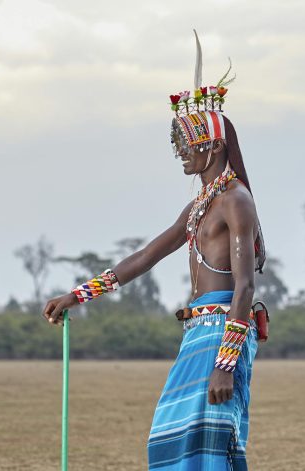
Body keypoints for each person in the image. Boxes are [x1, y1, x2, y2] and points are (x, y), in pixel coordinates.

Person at [42, 32, 266, 470]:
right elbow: (145, 257)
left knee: (211, 444)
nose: (181, 153)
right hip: (197, 331)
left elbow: (244, 287)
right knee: (171, 442)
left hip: (223, 331)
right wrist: (79, 294)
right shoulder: (199, 206)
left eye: (189, 145)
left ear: (214, 147)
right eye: (178, 145)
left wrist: (226, 362)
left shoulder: (236, 200)